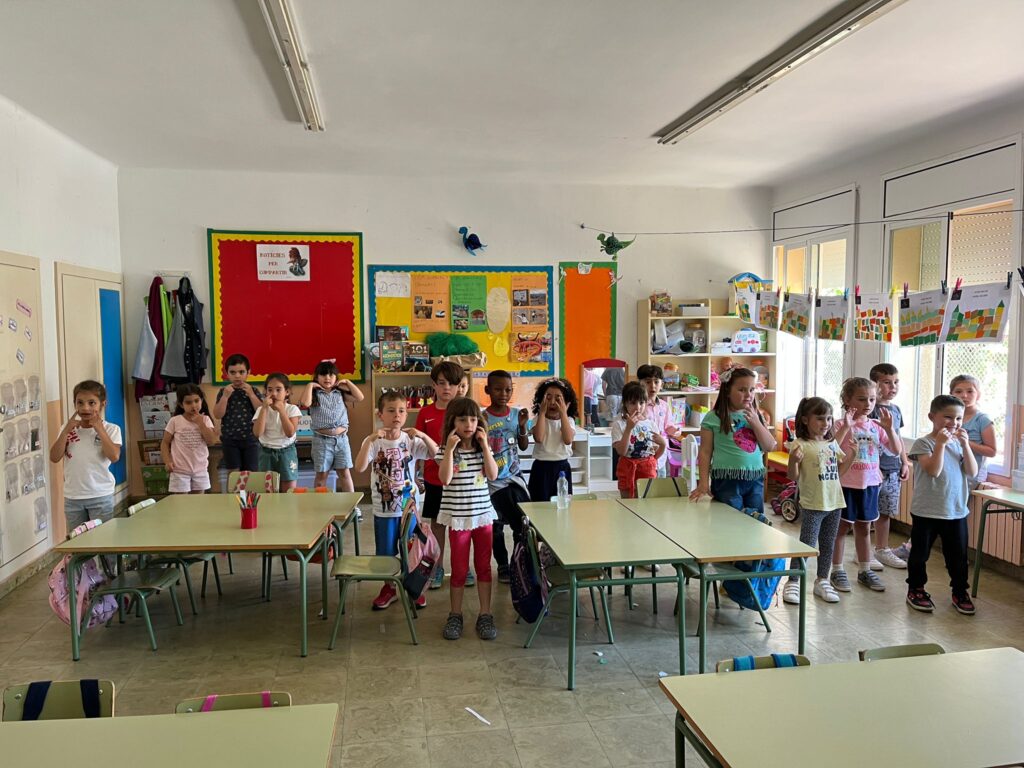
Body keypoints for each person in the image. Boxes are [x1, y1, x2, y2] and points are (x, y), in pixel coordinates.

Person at [354, 391, 438, 610]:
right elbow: (360, 467)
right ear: (380, 414)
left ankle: (413, 588)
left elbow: (435, 453)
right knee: (386, 553)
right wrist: (370, 439)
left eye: (401, 411)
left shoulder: (410, 440)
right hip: (384, 510)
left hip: (408, 510)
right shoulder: (374, 441)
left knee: (412, 550)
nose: (397, 415)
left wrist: (422, 435)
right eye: (391, 411)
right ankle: (389, 587)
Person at [905, 394, 978, 615]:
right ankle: (916, 589)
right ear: (932, 417)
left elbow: (972, 472)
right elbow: (933, 471)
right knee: (920, 555)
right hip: (926, 511)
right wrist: (940, 445)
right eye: (948, 417)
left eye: (958, 418)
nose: (954, 423)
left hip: (955, 511)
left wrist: (965, 445)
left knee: (958, 557)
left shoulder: (958, 444)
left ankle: (960, 591)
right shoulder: (923, 443)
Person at [829, 377, 902, 595]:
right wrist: (846, 427)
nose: (868, 404)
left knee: (863, 528)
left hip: (870, 484)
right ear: (847, 400)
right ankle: (837, 570)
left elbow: (896, 450)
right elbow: (831, 448)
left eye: (871, 399)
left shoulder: (876, 426)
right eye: (861, 399)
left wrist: (890, 429)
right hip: (846, 484)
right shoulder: (840, 424)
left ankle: (865, 569)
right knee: (841, 528)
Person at [436, 397, 499, 641]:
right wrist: (449, 451)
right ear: (452, 422)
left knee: (484, 567)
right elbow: (444, 479)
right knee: (459, 569)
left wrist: (485, 446)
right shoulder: (445, 450)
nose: (469, 425)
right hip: (459, 520)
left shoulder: (483, 449)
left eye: (473, 419)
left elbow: (493, 475)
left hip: (482, 518)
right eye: (462, 419)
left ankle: (486, 613)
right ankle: (455, 614)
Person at [784, 397, 856, 605]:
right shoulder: (800, 444)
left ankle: (822, 580)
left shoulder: (831, 444)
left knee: (827, 544)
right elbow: (793, 476)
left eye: (829, 418)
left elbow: (839, 472)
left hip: (835, 503)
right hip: (813, 504)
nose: (826, 423)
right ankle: (793, 581)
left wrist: (852, 456)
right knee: (806, 544)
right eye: (820, 418)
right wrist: (793, 461)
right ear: (805, 420)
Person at [689, 367, 776, 510]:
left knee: (755, 519)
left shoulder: (756, 416)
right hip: (727, 479)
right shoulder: (713, 417)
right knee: (729, 518)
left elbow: (769, 446)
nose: (748, 395)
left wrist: (755, 422)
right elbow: (705, 452)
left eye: (752, 390)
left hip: (754, 479)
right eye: (742, 390)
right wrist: (703, 482)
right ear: (727, 391)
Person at [415, 361, 466, 589]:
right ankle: (437, 567)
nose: (447, 388)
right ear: (434, 385)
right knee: (437, 524)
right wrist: (416, 474)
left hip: (460, 479)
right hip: (433, 478)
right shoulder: (425, 412)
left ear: (459, 386)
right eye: (442, 383)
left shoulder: (464, 412)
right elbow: (418, 446)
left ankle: (462, 568)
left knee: (459, 525)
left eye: (452, 384)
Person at [49, 380, 122, 532]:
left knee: (103, 538)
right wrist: (65, 431)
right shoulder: (67, 429)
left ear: (102, 404)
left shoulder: (112, 429)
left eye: (91, 403)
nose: (85, 408)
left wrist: (99, 429)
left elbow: (114, 456)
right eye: (80, 403)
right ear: (75, 404)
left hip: (100, 495)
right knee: (78, 541)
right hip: (73, 497)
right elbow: (54, 457)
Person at [483, 370, 530, 583]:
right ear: (488, 390)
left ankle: (518, 562)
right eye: (498, 389)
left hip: (514, 479)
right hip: (491, 482)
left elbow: (523, 446)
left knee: (521, 523)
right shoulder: (482, 418)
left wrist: (522, 426)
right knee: (495, 527)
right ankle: (502, 565)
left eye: (508, 390)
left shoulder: (517, 415)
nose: (504, 394)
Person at [867, 363, 911, 569]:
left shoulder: (895, 410)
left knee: (885, 512)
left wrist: (904, 461)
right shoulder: (869, 408)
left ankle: (882, 549)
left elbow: (898, 437)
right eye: (887, 382)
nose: (893, 387)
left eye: (896, 382)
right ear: (875, 384)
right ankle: (862, 551)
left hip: (893, 469)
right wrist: (873, 465)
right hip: (871, 469)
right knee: (866, 512)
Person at [300, 360, 365, 498]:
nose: (327, 378)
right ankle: (320, 505)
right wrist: (310, 385)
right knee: (322, 475)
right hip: (321, 441)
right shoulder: (314, 394)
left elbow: (360, 397)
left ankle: (351, 505)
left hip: (341, 440)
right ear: (317, 377)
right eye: (323, 375)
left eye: (331, 375)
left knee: (344, 473)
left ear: (336, 377)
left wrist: (347, 382)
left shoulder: (340, 393)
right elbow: (305, 403)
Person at [612, 381, 665, 499]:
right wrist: (629, 429)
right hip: (627, 467)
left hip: (648, 468)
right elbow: (621, 452)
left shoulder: (651, 424)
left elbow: (655, 456)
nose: (638, 407)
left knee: (647, 503)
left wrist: (663, 445)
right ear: (625, 403)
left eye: (641, 403)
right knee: (627, 503)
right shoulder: (619, 424)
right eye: (633, 403)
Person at [528, 378, 579, 502]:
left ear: (567, 403)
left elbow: (568, 439)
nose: (552, 402)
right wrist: (542, 413)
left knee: (562, 502)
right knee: (539, 504)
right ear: (541, 401)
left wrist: (563, 414)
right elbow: (538, 438)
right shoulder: (538, 419)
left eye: (558, 398)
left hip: (562, 468)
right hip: (541, 468)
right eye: (548, 397)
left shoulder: (569, 421)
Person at [161, 383, 217, 494]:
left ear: (201, 400)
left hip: (200, 469)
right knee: (181, 501)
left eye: (196, 401)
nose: (193, 405)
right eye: (188, 402)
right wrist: (167, 461)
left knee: (198, 501)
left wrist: (201, 424)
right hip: (179, 470)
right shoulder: (175, 421)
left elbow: (211, 441)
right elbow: (165, 443)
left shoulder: (205, 420)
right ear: (181, 404)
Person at [252, 372, 302, 492]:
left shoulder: (292, 409)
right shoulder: (261, 410)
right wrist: (264, 408)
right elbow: (257, 433)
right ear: (265, 392)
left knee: (288, 490)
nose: (273, 393)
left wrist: (282, 411)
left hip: (286, 452)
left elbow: (290, 433)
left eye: (278, 390)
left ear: (287, 392)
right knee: (267, 489)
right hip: (266, 452)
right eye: (270, 390)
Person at [213, 353, 263, 472]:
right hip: (230, 440)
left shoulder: (253, 390)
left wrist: (251, 395)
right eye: (233, 372)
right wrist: (225, 397)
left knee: (250, 473)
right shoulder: (224, 391)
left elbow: (261, 412)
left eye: (241, 372)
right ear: (227, 374)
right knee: (234, 474)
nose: (237, 376)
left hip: (251, 439)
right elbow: (218, 415)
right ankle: (235, 486)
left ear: (248, 372)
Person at [950, 374, 996, 487]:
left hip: (972, 478)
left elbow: (992, 451)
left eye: (970, 391)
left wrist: (965, 442)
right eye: (958, 391)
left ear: (978, 395)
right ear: (951, 394)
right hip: (952, 473)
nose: (964, 395)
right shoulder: (948, 418)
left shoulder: (982, 419)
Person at [637, 364, 680, 478]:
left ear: (662, 384)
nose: (652, 386)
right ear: (640, 383)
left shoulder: (664, 405)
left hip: (661, 457)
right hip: (643, 456)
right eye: (648, 382)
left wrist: (675, 431)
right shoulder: (638, 406)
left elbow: (669, 426)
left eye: (656, 382)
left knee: (660, 485)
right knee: (644, 485)